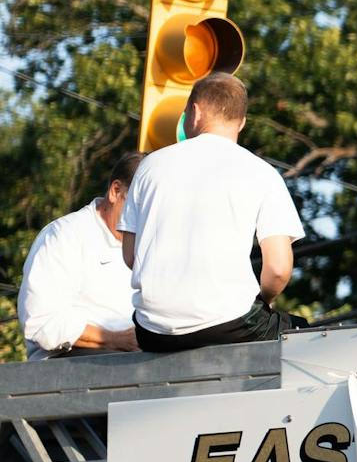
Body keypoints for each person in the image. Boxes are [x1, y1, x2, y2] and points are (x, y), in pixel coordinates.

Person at [119, 73, 307, 352]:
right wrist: (263, 301)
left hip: (152, 331)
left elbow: (130, 255)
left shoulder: (149, 166)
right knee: (306, 336)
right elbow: (278, 269)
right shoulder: (261, 173)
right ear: (241, 122)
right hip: (229, 325)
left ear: (194, 112)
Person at [17, 152, 144, 359]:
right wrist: (115, 339)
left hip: (141, 366)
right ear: (115, 191)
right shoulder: (64, 236)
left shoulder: (153, 244)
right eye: (141, 205)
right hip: (71, 367)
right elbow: (41, 321)